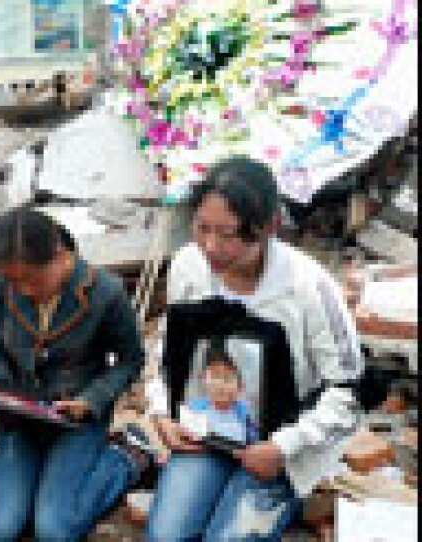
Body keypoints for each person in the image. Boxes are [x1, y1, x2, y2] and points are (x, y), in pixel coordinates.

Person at [145, 156, 364, 541]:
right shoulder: (188, 268)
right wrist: (163, 413)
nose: (211, 246)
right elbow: (169, 353)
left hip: (280, 447)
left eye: (228, 234)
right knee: (166, 536)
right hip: (206, 434)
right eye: (201, 228)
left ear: (269, 227)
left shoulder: (307, 287)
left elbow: (347, 391)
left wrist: (284, 446)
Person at [0, 208, 147, 541]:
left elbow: (131, 361)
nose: (25, 290)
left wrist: (90, 401)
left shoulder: (106, 293)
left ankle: (125, 457)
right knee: (1, 530)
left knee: (53, 530)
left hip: (75, 422)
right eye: (15, 282)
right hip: (20, 419)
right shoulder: (5, 288)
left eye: (33, 279)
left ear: (60, 255)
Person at [182, 341, 259, 446]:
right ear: (203, 379)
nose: (220, 384)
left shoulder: (245, 415)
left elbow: (253, 444)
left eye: (227, 378)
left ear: (241, 387)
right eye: (214, 376)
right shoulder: (193, 409)